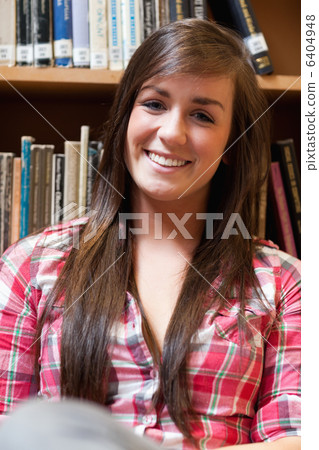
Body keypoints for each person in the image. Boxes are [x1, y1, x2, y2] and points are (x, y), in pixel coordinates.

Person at [0, 19, 300, 449]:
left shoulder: (285, 284)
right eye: (155, 104)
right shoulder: (30, 266)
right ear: (126, 117)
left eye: (201, 115)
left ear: (233, 144)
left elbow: (296, 439)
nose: (171, 133)